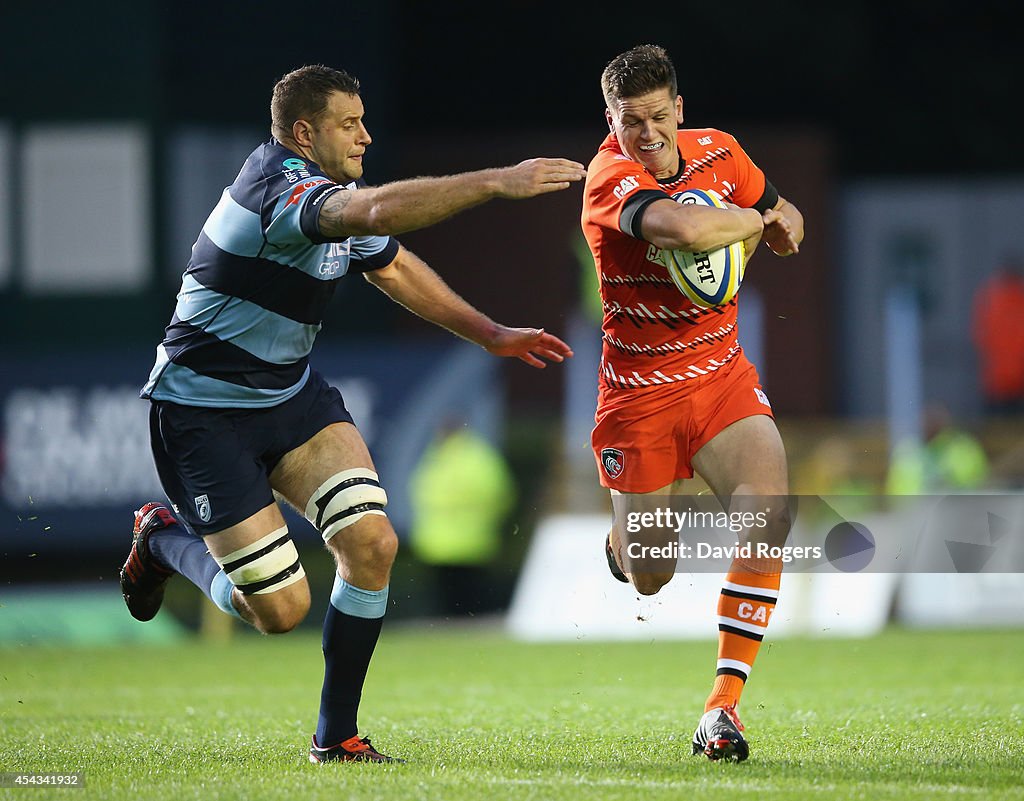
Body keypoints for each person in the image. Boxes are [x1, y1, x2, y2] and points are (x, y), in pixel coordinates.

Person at [119, 64, 585, 764]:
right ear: (304, 133)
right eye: (349, 123)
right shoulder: (279, 189)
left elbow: (391, 263)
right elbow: (368, 214)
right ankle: (161, 538)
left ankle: (335, 735)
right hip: (201, 412)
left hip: (290, 396)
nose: (366, 134)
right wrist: (494, 181)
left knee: (371, 543)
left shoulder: (329, 193)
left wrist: (488, 332)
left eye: (365, 119)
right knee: (279, 612)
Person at [581, 45, 803, 762]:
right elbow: (687, 230)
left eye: (655, 116)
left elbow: (783, 208)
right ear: (609, 119)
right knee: (652, 572)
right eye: (628, 120)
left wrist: (784, 219)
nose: (644, 133)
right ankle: (623, 546)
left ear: (679, 107)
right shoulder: (609, 176)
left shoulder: (722, 152)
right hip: (638, 399)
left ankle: (722, 709)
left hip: (719, 378)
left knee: (770, 507)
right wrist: (751, 221)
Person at [408, 420, 516, 615]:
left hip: (442, 543)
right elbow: (501, 494)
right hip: (470, 540)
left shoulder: (437, 457)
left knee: (451, 602)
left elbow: (421, 490)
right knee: (468, 601)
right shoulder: (479, 456)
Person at [885, 403, 989, 494]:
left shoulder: (964, 447)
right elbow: (895, 491)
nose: (930, 425)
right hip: (915, 511)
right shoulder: (907, 449)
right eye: (927, 421)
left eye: (935, 421)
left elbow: (980, 483)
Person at [971, 254, 1024, 416]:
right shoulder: (994, 297)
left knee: (997, 424)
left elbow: (979, 335)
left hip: (997, 378)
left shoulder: (990, 297)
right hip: (1006, 379)